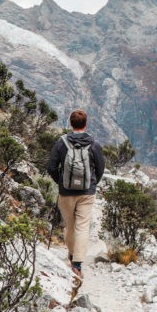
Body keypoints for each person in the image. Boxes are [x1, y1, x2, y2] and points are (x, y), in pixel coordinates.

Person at [47, 109, 105, 283]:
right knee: (82, 227)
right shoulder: (94, 144)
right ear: (85, 124)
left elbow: (51, 166)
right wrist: (92, 183)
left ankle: (72, 254)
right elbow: (100, 168)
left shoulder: (61, 142)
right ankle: (77, 265)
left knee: (69, 226)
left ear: (71, 124)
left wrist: (61, 182)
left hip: (66, 193)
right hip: (86, 193)